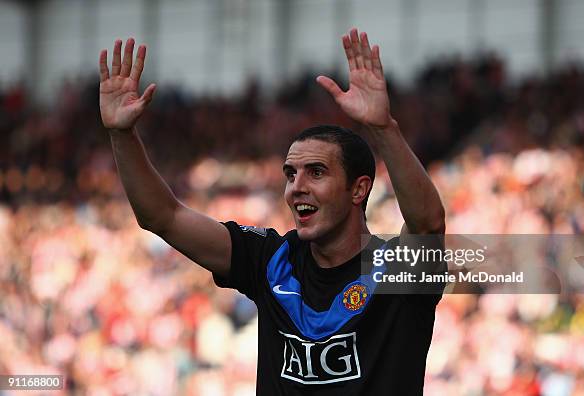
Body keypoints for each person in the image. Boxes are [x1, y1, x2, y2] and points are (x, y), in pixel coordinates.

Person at [99, 28, 445, 395]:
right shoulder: (271, 259)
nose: (297, 187)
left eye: (316, 172)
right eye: (290, 174)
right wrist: (122, 135)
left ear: (359, 189)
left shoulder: (395, 270)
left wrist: (382, 128)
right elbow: (162, 216)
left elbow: (428, 222)